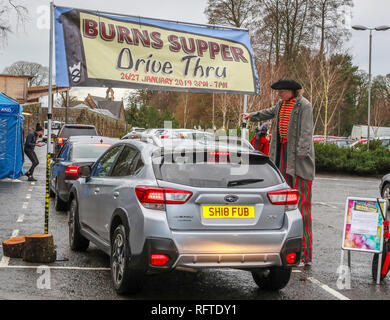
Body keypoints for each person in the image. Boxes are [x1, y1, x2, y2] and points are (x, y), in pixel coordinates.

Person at [242, 79, 315, 266]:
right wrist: (251, 115)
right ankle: (283, 247)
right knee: (282, 204)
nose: (279, 94)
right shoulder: (281, 104)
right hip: (282, 157)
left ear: (292, 91)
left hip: (299, 162)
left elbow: (307, 132)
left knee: (302, 208)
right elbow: (268, 112)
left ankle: (305, 254)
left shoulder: (304, 106)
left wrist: (302, 153)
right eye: (278, 91)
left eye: (282, 91)